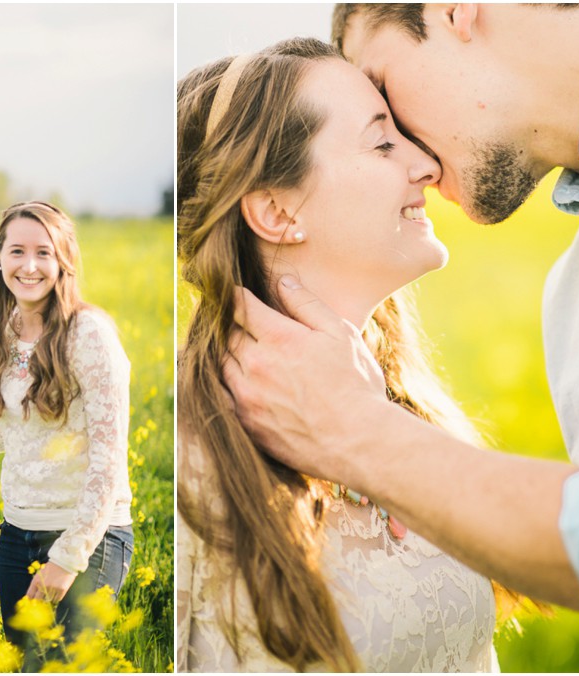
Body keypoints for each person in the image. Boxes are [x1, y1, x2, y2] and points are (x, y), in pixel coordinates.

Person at [223, 4, 579, 670]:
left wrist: (357, 433)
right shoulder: (574, 292)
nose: (418, 162)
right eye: (380, 137)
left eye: (383, 90)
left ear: (456, 9)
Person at [177, 37, 507, 673]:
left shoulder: (403, 406)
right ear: (276, 210)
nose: (428, 165)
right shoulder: (198, 463)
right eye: (384, 143)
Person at [0, 201, 133, 664]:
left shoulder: (89, 334)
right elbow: (13, 434)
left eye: (43, 253)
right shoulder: (10, 330)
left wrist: (66, 561)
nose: (29, 266)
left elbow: (109, 463)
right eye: (17, 251)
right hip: (18, 534)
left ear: (63, 260)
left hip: (87, 536)